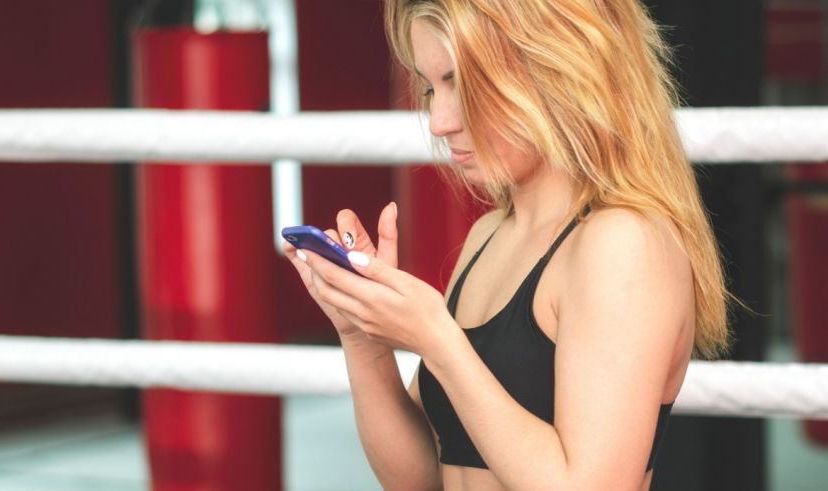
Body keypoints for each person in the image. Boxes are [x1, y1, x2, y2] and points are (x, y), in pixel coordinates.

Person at [284, 0, 730, 489]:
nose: (438, 121)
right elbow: (421, 479)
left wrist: (439, 341)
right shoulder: (488, 235)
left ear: (552, 68)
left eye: (462, 84)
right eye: (431, 88)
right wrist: (361, 336)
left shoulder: (623, 242)